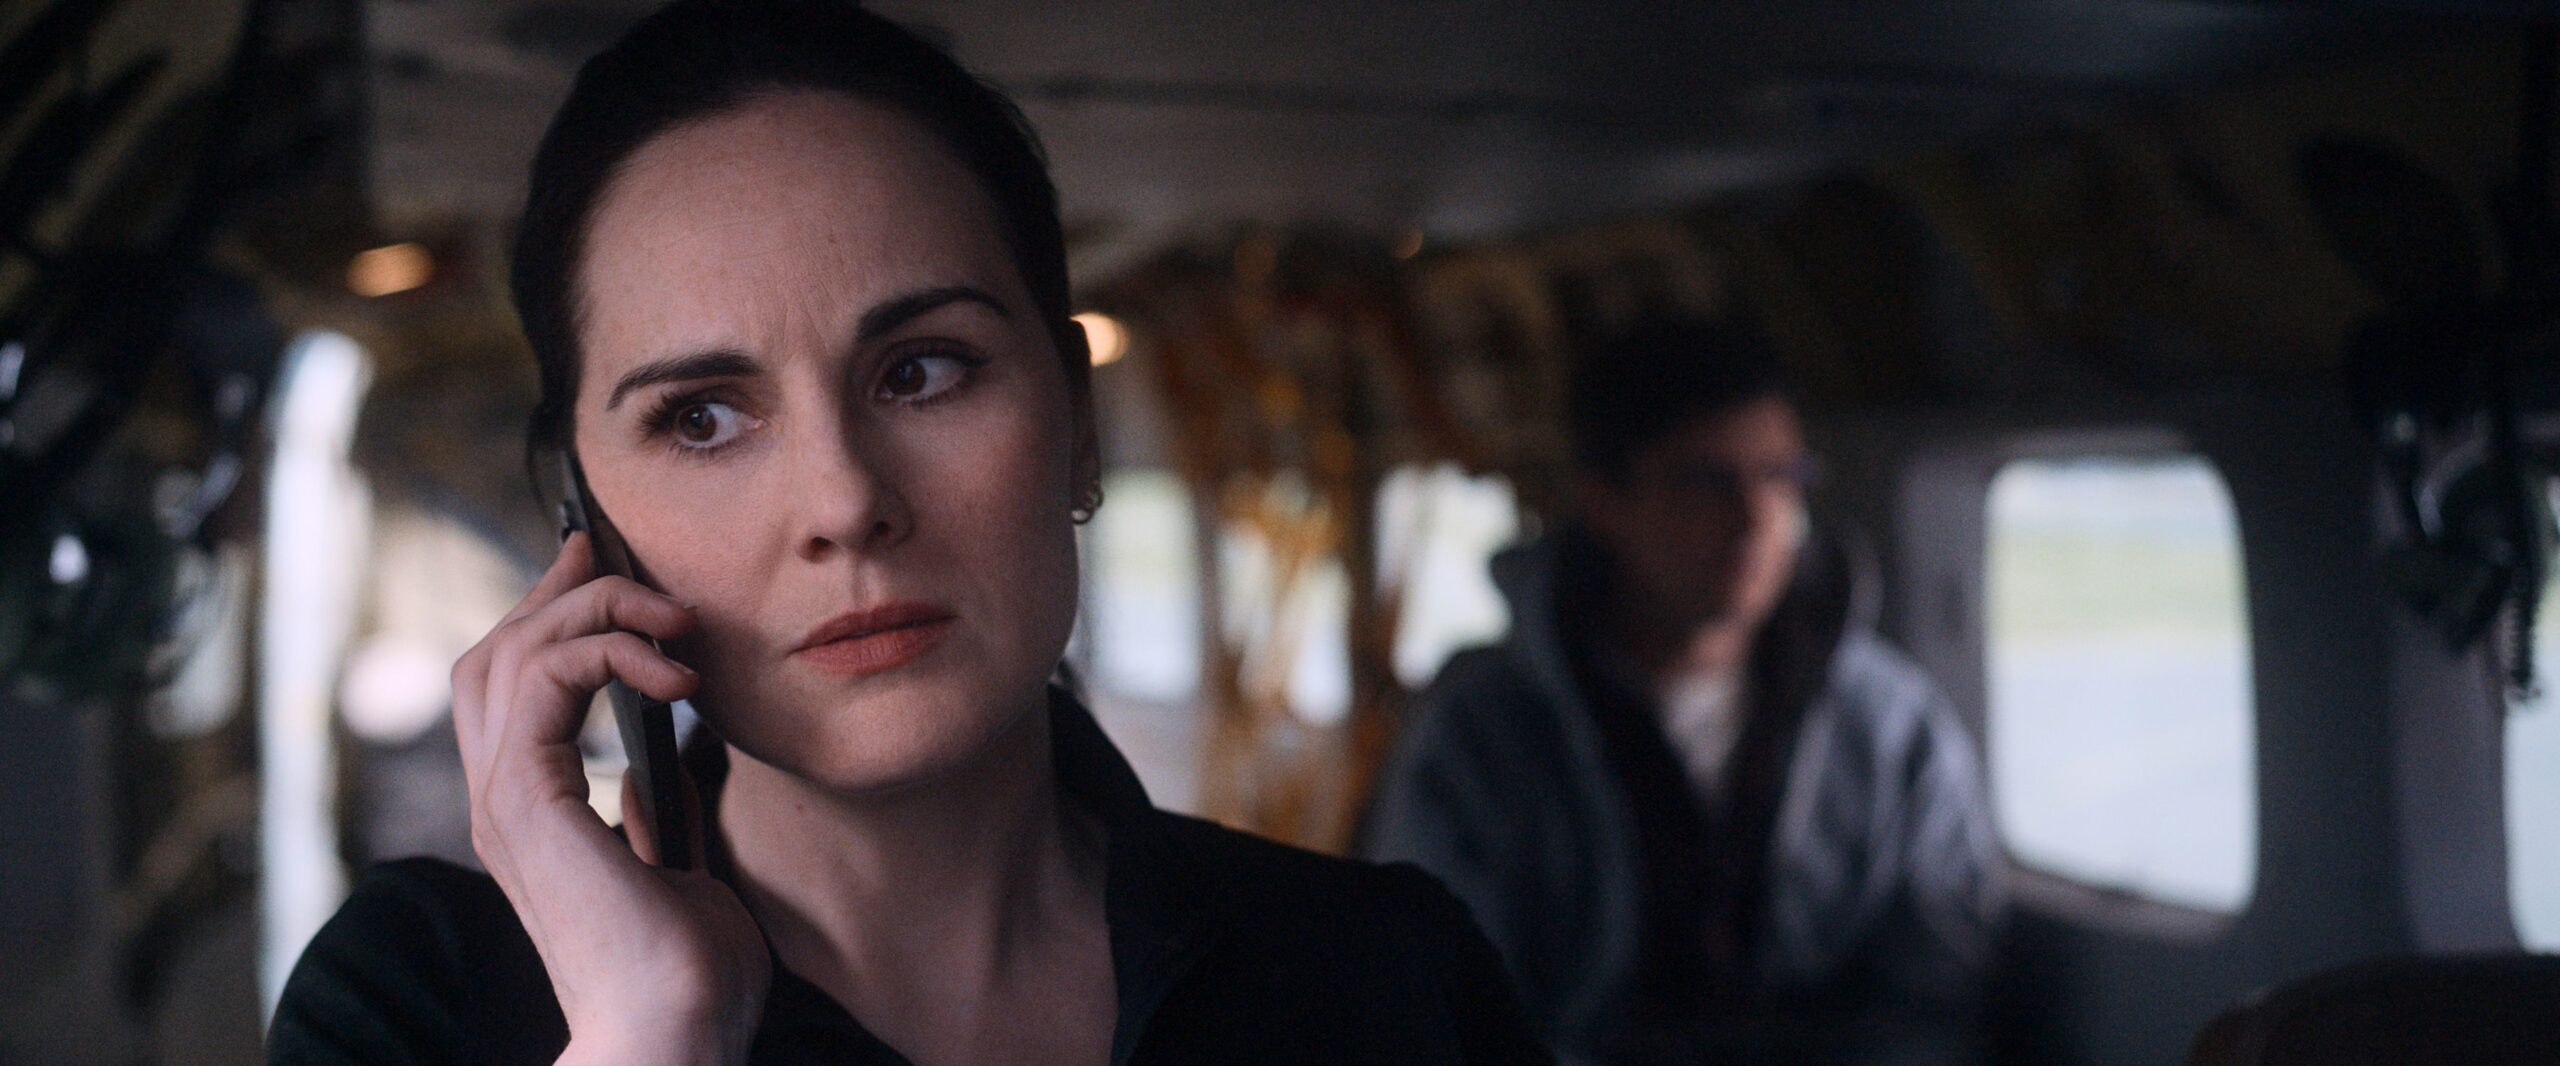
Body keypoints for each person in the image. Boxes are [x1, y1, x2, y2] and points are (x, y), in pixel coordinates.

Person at [267, 3, 1549, 1063]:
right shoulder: (419, 1001)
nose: (843, 503)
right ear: (584, 515)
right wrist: (648, 1033)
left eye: (924, 371)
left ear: (1076, 428)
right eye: (702, 418)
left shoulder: (1389, 974)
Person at [1362, 316, 2005, 1065]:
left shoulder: (1892, 728)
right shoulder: (1477, 740)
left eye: (1782, 476)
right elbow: (1441, 1012)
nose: (1756, 519)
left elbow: (1935, 997)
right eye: (1706, 482)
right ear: (1603, 502)